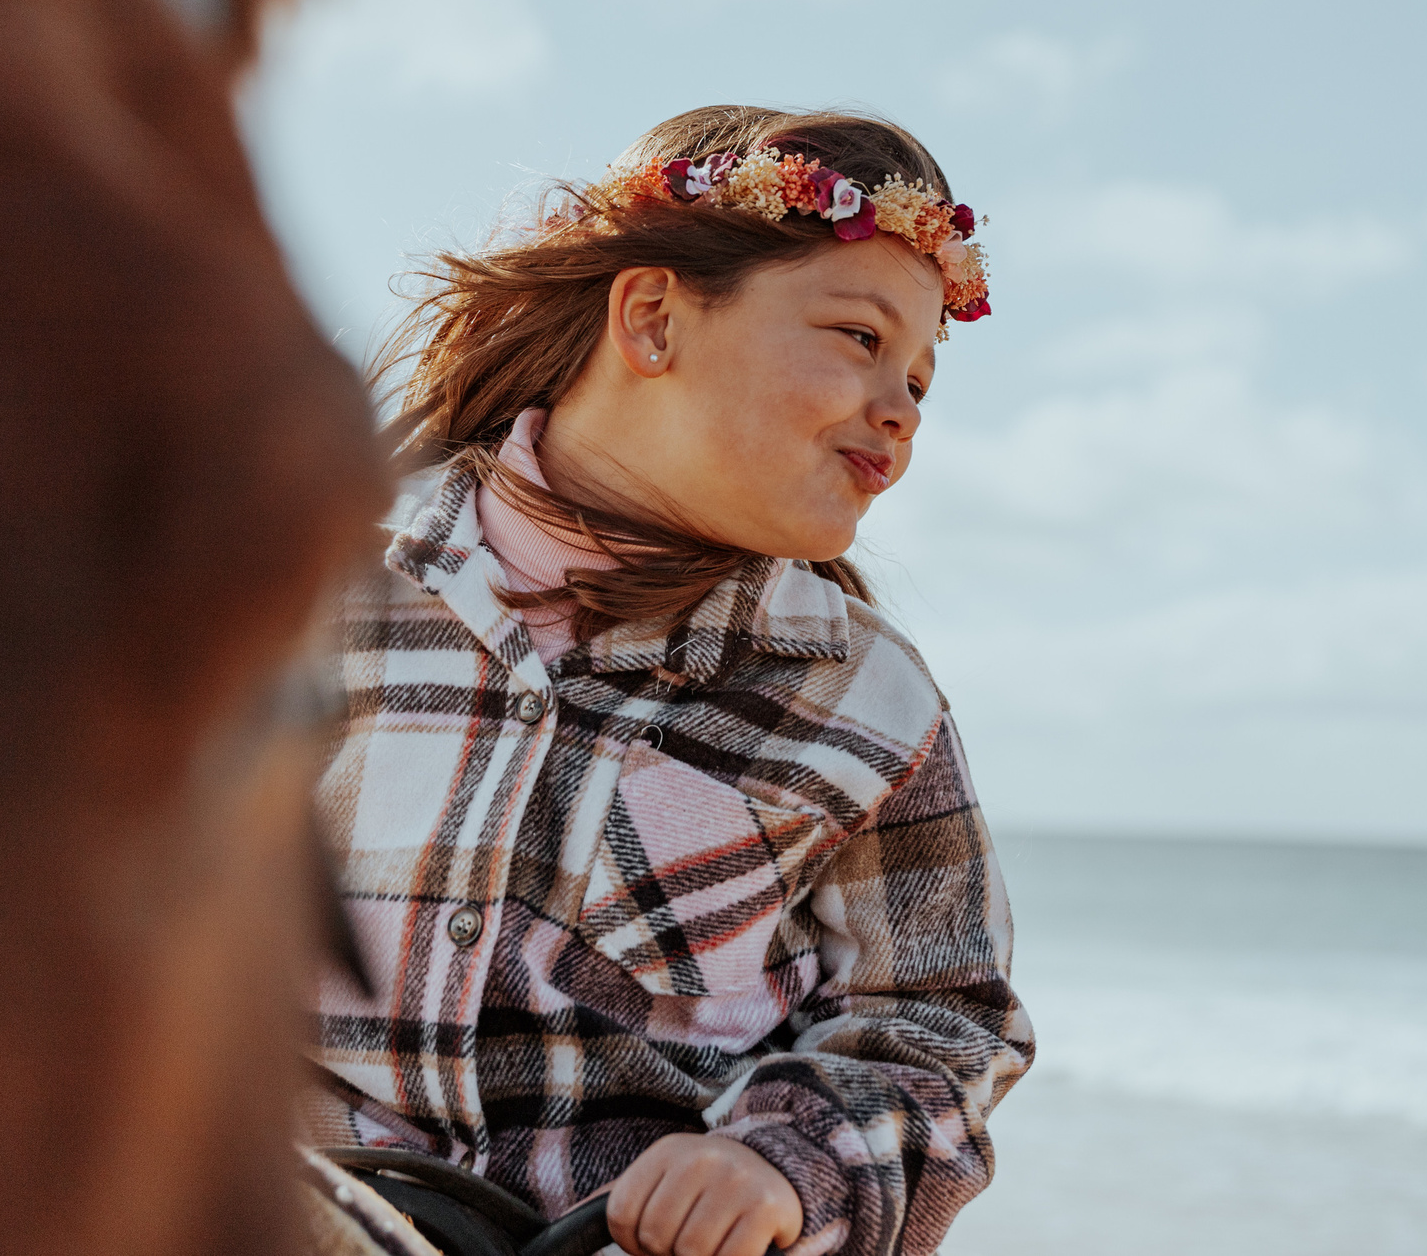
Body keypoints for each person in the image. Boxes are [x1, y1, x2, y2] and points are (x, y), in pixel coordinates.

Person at [306, 106, 1032, 1256]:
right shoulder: (309, 584)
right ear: (650, 318)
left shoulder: (864, 700)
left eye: (923, 382)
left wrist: (785, 1166)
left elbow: (941, 1027)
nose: (899, 407)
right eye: (858, 336)